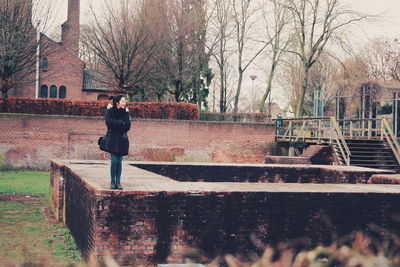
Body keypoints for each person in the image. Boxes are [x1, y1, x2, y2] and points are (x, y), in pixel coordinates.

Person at [104, 95, 131, 190]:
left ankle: (118, 182)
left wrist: (116, 124)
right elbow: (109, 123)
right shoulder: (110, 111)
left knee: (119, 161)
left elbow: (127, 126)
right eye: (123, 101)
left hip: (122, 140)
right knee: (114, 160)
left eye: (125, 101)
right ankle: (112, 181)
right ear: (117, 103)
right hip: (112, 139)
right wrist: (120, 123)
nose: (125, 103)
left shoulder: (126, 112)